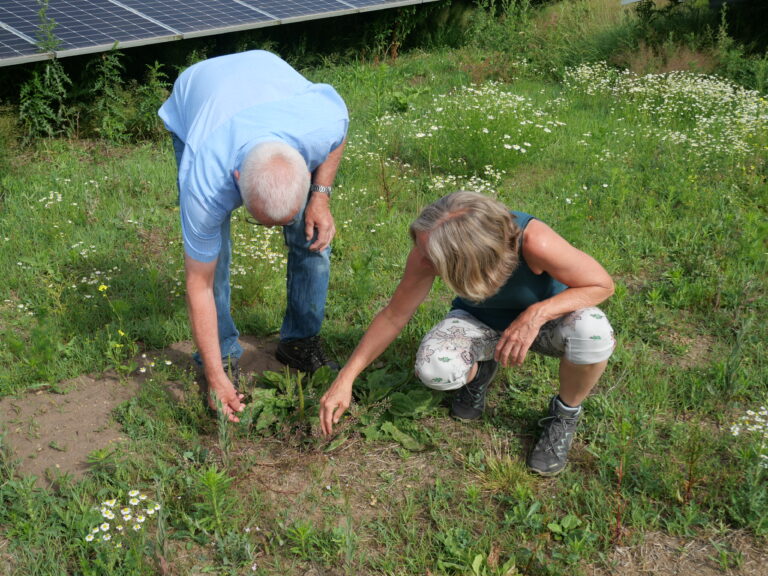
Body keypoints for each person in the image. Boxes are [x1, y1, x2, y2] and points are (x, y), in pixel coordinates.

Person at [319, 191, 615, 476]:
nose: (423, 259)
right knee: (436, 369)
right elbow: (394, 315)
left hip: (546, 323)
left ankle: (564, 415)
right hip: (479, 322)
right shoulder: (427, 249)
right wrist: (345, 378)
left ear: (471, 257)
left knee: (593, 332)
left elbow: (601, 284)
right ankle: (481, 371)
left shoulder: (534, 241)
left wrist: (536, 314)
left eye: (432, 256)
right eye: (422, 249)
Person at [159, 50, 349, 421]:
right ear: (236, 182)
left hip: (269, 82)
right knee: (215, 260)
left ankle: (300, 341)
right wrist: (213, 377)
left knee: (313, 233)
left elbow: (339, 129)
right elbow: (198, 283)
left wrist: (320, 197)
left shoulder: (320, 123)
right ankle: (221, 355)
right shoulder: (205, 178)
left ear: (303, 163)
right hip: (200, 97)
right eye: (259, 220)